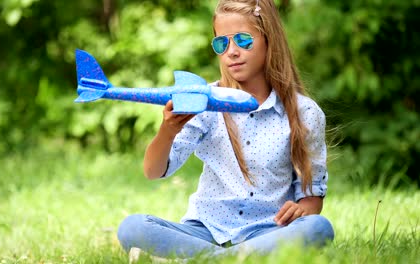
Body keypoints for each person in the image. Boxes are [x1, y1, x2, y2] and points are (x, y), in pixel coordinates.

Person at [117, 0, 334, 261]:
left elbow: (311, 197)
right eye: (222, 43)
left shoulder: (304, 113)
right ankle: (235, 259)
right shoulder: (205, 103)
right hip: (205, 230)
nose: (232, 51)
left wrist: (302, 212)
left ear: (269, 40)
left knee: (319, 228)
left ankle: (199, 259)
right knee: (132, 227)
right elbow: (153, 171)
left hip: (267, 232)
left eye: (243, 40)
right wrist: (167, 131)